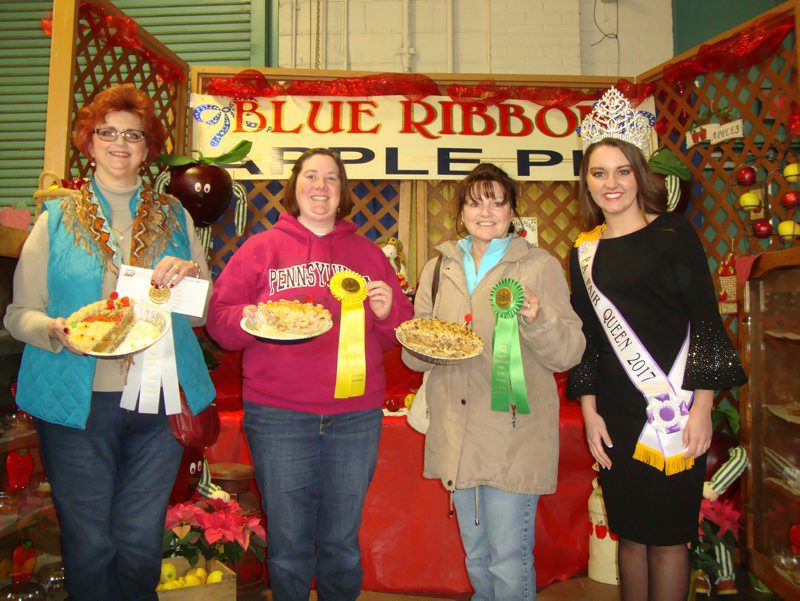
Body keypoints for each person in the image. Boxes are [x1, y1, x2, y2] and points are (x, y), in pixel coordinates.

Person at [4, 84, 215, 600]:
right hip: (77, 407)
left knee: (140, 539)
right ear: (90, 142)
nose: (120, 144)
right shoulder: (55, 219)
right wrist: (54, 330)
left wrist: (186, 276)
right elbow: (17, 315)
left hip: (157, 404)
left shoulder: (174, 216)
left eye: (133, 135)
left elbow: (202, 310)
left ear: (147, 148)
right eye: (107, 132)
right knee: (90, 541)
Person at [205, 148, 414, 601]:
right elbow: (220, 322)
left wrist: (385, 312)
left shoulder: (369, 254)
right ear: (295, 186)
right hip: (278, 415)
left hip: (355, 416)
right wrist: (254, 317)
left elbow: (395, 333)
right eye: (311, 176)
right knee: (288, 541)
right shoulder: (260, 249)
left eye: (332, 179)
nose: (321, 186)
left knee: (341, 539)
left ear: (343, 193)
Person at [567, 88, 746, 601]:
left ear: (641, 174)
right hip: (619, 412)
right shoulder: (584, 252)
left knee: (668, 537)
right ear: (587, 182)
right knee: (630, 533)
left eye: (622, 170)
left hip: (675, 408)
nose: (611, 183)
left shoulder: (674, 234)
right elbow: (589, 340)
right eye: (599, 173)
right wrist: (590, 411)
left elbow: (706, 321)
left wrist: (703, 409)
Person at [403, 163, 586, 601]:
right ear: (462, 210)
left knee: (508, 559)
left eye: (497, 201)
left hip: (512, 433)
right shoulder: (437, 267)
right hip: (456, 433)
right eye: (474, 201)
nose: (485, 211)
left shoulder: (538, 266)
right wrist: (424, 343)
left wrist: (539, 319)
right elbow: (414, 355)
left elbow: (570, 352)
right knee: (477, 557)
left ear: (512, 211)